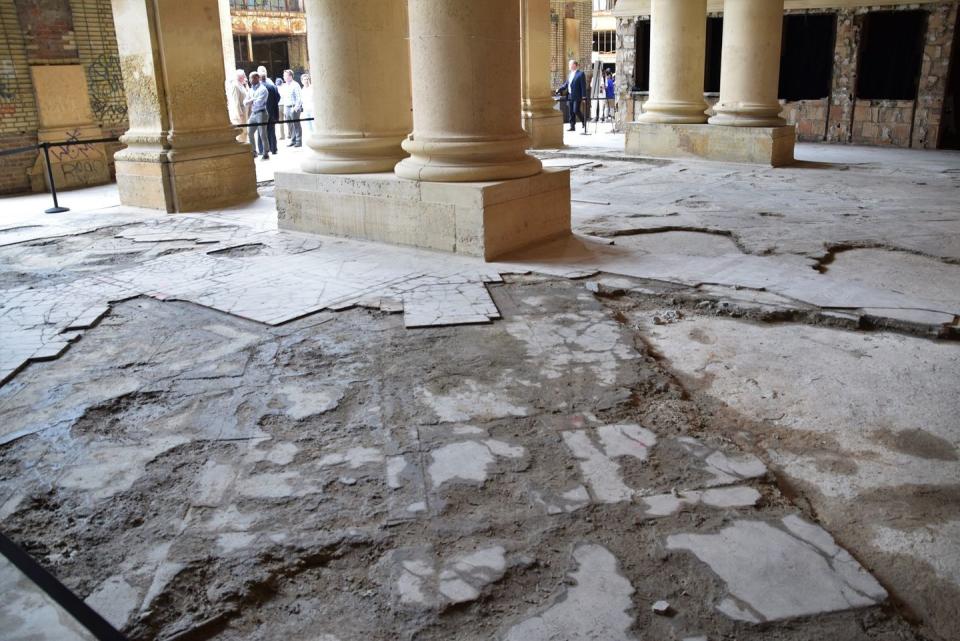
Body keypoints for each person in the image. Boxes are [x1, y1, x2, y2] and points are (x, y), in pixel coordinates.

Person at [244, 72, 270, 160]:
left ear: (257, 78)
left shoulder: (263, 89)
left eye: (252, 78)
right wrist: (252, 100)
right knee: (250, 132)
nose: (250, 80)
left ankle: (266, 152)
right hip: (253, 113)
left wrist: (250, 101)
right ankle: (254, 151)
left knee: (262, 133)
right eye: (250, 78)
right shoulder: (251, 90)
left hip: (261, 113)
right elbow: (244, 102)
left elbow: (259, 103)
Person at [556, 60, 587, 133]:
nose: (569, 66)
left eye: (570, 64)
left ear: (574, 65)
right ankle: (572, 126)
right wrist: (559, 89)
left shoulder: (581, 74)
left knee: (576, 110)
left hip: (577, 96)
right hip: (569, 95)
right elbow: (566, 84)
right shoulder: (570, 74)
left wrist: (584, 96)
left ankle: (583, 121)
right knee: (571, 112)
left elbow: (583, 86)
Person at [257, 66, 280, 154]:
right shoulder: (272, 86)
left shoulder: (258, 88)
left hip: (261, 112)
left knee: (261, 132)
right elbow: (278, 98)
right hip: (272, 112)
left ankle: (262, 150)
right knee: (271, 131)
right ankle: (273, 149)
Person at [226, 69, 250, 144]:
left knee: (245, 131)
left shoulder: (241, 85)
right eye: (244, 75)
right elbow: (235, 101)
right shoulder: (235, 86)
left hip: (244, 111)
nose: (245, 77)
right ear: (240, 77)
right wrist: (239, 114)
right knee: (241, 132)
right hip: (240, 114)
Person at [281, 69, 303, 147]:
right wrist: (284, 109)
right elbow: (283, 98)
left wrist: (296, 108)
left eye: (285, 75)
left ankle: (298, 141)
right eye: (284, 75)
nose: (284, 77)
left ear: (290, 76)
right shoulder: (284, 86)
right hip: (287, 107)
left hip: (294, 107)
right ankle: (293, 140)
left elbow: (299, 98)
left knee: (296, 124)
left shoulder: (295, 84)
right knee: (289, 124)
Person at [275, 76, 287, 142]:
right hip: (285, 105)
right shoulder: (285, 88)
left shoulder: (276, 88)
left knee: (281, 121)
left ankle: (282, 135)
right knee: (288, 120)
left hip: (279, 105)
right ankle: (289, 134)